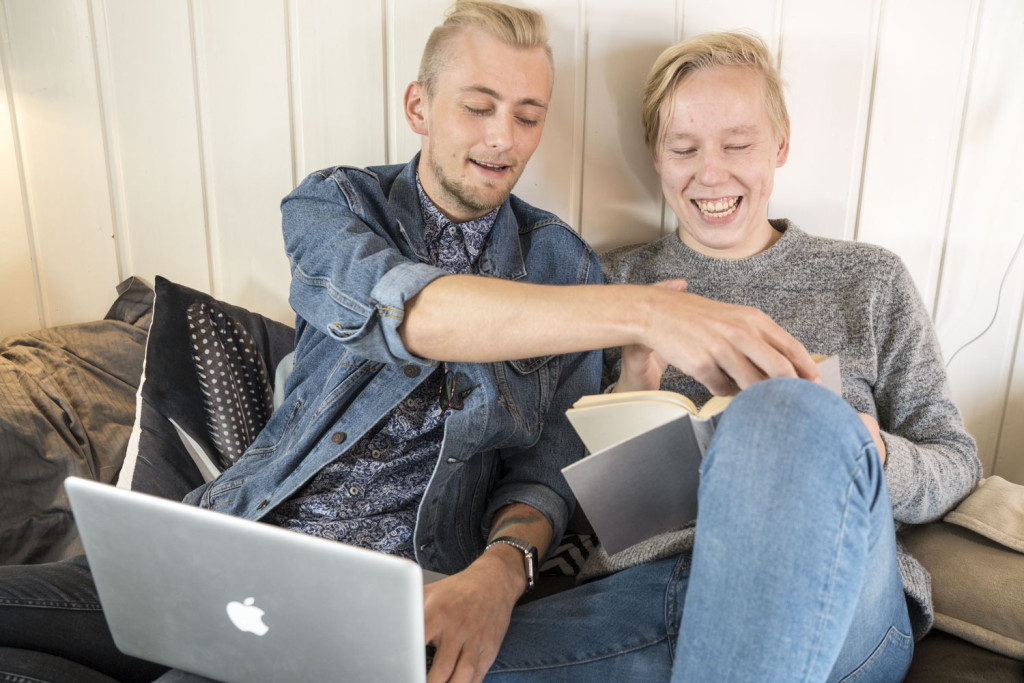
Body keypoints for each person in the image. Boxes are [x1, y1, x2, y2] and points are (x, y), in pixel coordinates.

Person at [0, 5, 819, 683]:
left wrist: (503, 567)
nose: (503, 137)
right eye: (478, 105)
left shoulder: (564, 263)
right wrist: (638, 311)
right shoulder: (332, 205)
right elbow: (411, 315)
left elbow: (551, 466)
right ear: (419, 107)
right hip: (230, 540)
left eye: (528, 115)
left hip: (395, 589)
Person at [485, 31, 980, 682]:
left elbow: (955, 458)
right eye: (684, 148)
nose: (710, 174)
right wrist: (631, 383)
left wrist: (871, 450)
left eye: (738, 145)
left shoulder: (869, 281)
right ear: (657, 158)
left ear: (780, 144)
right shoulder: (609, 287)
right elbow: (560, 494)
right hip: (651, 594)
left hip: (837, 593)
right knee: (419, 662)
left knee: (781, 412)